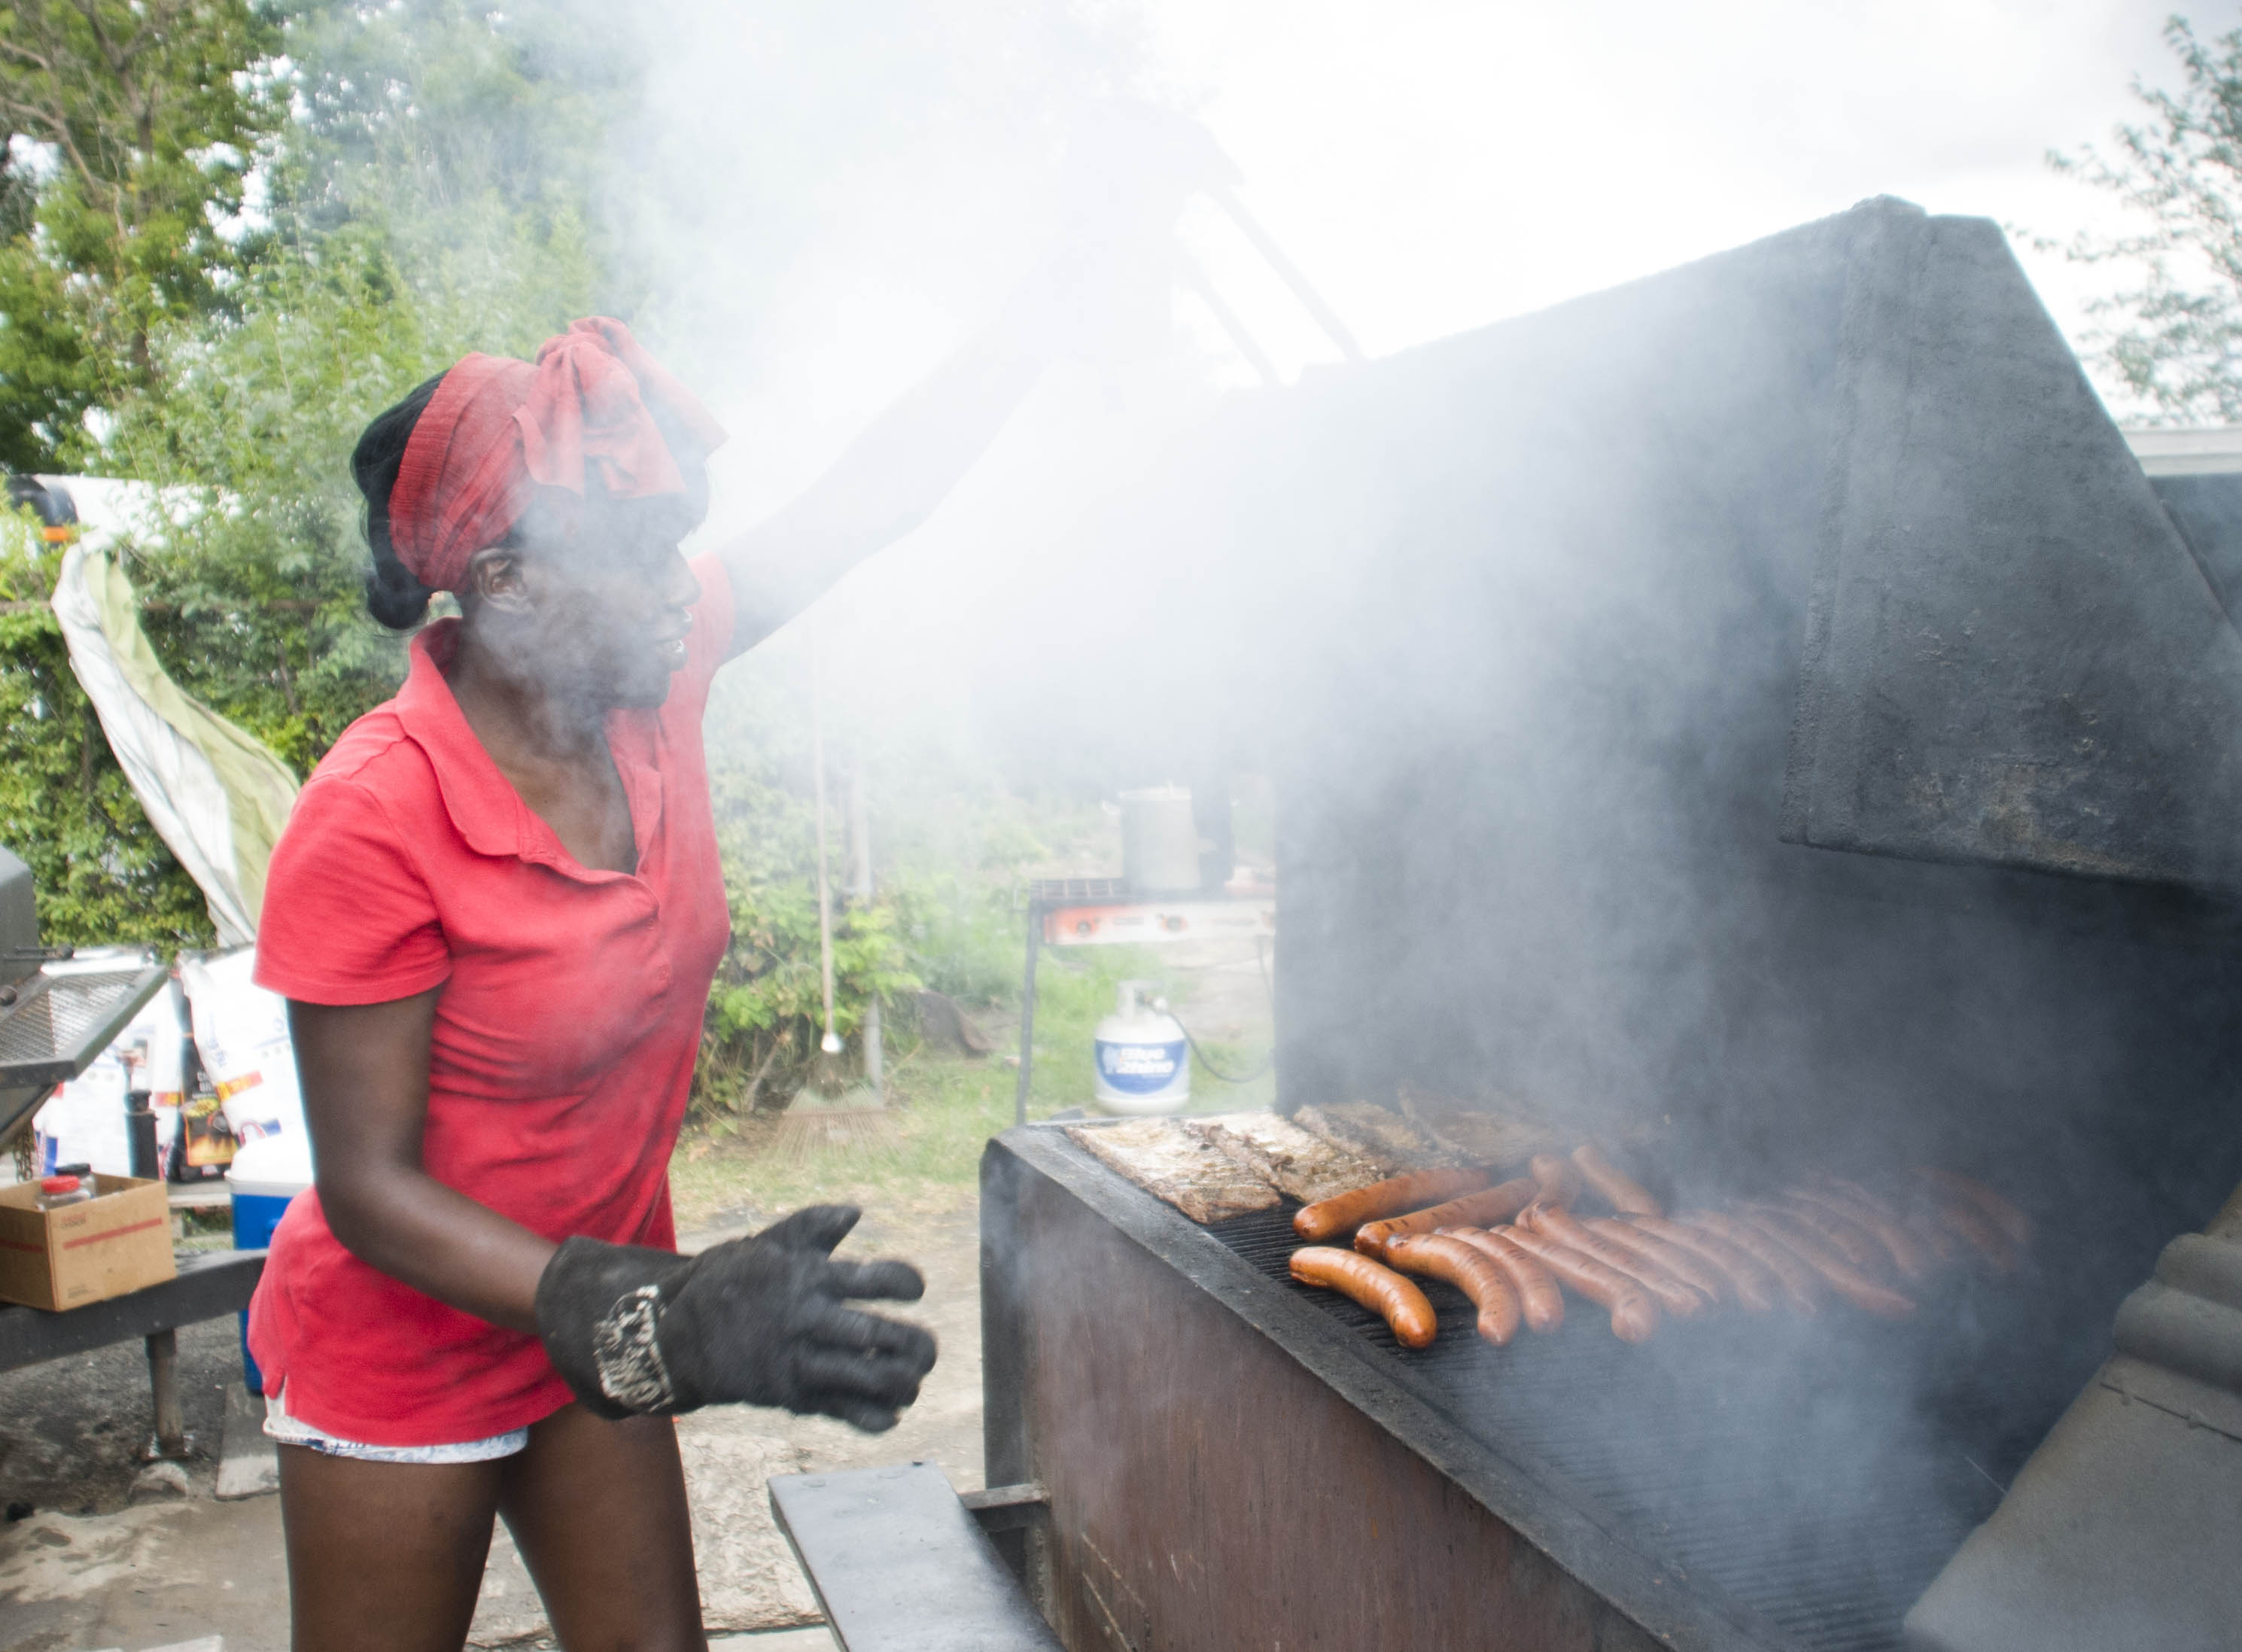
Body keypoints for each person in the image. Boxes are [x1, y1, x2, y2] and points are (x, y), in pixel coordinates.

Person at [248, 313, 1047, 1652]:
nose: (683, 588)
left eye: (679, 543)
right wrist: (659, 1311)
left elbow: (868, 500)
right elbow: (369, 1189)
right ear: (505, 583)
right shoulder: (371, 816)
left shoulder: (647, 692)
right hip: (408, 1353)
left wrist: (1071, 273)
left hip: (592, 1333)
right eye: (636, 556)